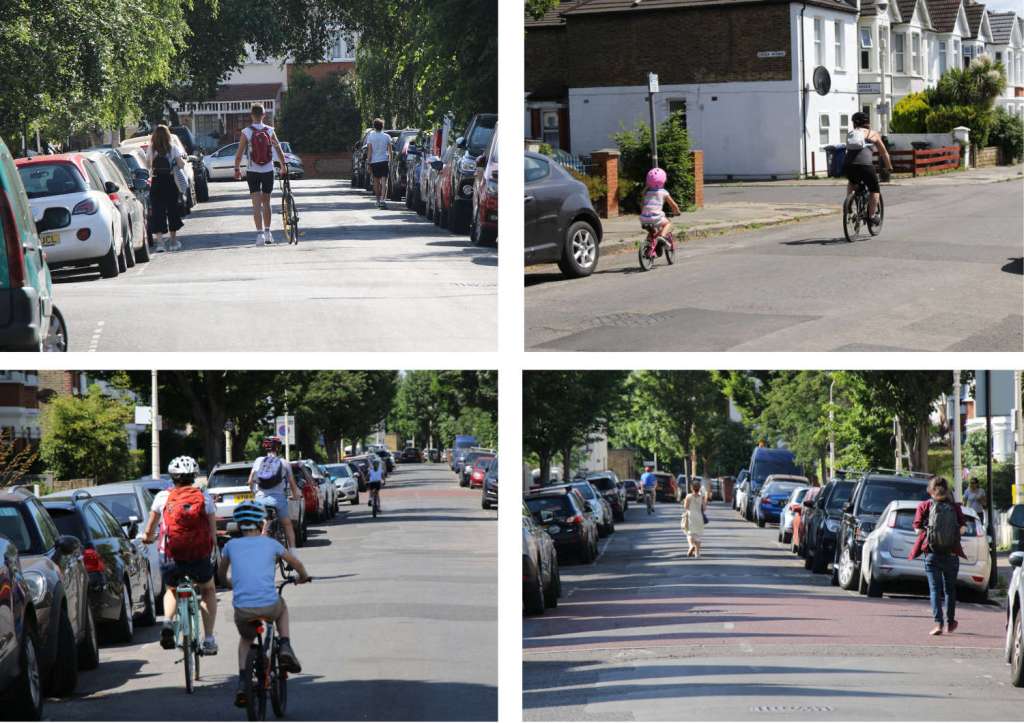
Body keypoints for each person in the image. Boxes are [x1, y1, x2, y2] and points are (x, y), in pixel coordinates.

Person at [218, 501, 310, 708]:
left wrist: (229, 583)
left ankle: (243, 682)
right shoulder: (271, 544)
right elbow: (296, 563)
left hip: (243, 610)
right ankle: (285, 644)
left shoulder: (230, 546)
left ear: (238, 525)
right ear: (261, 523)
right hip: (269, 605)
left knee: (245, 640)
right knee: (282, 607)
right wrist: (303, 577)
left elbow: (221, 575)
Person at [141, 455, 219, 654]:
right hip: (199, 555)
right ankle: (208, 639)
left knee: (172, 589)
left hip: (171, 555)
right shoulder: (204, 496)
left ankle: (167, 622)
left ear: (172, 477)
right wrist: (212, 549)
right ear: (194, 476)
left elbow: (149, 529)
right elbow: (212, 532)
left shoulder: (162, 497)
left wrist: (147, 538)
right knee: (208, 590)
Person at [909, 476, 967, 636]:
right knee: (950, 590)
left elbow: (917, 529)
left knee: (935, 590)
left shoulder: (924, 506)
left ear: (930, 490)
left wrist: (929, 532)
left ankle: (938, 624)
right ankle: (950, 622)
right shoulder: (955, 507)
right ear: (946, 489)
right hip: (951, 553)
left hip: (931, 554)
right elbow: (963, 528)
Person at [233, 104, 289, 246]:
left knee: (256, 204)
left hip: (252, 171)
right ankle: (268, 232)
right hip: (268, 170)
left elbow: (239, 153)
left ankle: (259, 236)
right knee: (267, 202)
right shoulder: (270, 131)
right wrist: (283, 166)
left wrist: (237, 168)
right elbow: (278, 150)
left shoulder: (246, 131)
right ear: (264, 115)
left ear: (251, 115)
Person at [247, 437, 303, 550]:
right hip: (277, 500)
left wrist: (254, 493)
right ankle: (293, 555)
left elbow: (250, 481)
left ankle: (262, 536)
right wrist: (296, 495)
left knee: (259, 521)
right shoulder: (284, 463)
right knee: (287, 525)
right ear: (278, 448)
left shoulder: (258, 461)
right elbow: (292, 484)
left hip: (260, 499)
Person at [843, 112, 892, 228]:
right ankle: (871, 215)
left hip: (848, 165)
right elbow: (884, 152)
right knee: (875, 190)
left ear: (854, 123)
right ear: (868, 122)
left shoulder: (850, 134)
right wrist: (889, 167)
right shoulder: (873, 134)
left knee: (852, 182)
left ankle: (849, 206)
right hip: (865, 165)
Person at [147, 125, 188, 252]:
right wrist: (179, 161)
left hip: (157, 182)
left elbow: (148, 165)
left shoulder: (152, 149)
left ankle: (160, 243)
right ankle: (173, 242)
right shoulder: (173, 148)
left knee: (158, 212)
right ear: (168, 135)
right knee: (172, 210)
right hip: (170, 182)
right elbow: (181, 165)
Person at [639, 168, 681, 244]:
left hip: (643, 219)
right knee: (668, 224)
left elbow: (642, 205)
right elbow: (673, 205)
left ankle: (648, 246)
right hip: (656, 218)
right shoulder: (663, 192)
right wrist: (677, 211)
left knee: (652, 232)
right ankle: (662, 236)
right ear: (663, 180)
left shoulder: (646, 193)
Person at [363, 119, 392, 209]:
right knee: (384, 182)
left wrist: (368, 163)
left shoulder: (371, 136)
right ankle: (383, 200)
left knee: (376, 181)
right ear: (382, 126)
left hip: (374, 162)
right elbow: (390, 151)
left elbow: (370, 151)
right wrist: (390, 161)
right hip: (384, 161)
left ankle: (377, 201)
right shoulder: (387, 136)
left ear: (374, 126)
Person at [682, 480, 707, 558]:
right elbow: (704, 508)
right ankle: (697, 553)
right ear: (699, 488)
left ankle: (691, 545)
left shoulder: (688, 496)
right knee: (698, 536)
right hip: (699, 517)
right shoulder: (701, 497)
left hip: (690, 516)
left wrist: (684, 502)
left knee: (689, 533)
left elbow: (686, 507)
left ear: (691, 488)